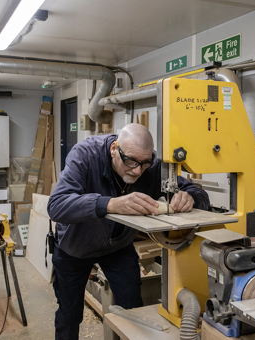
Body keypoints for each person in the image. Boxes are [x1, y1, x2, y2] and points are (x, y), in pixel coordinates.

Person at [47, 123, 210, 339]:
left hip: (118, 247)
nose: (137, 171)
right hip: (75, 246)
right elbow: (57, 205)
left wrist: (190, 197)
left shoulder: (148, 165)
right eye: (131, 162)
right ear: (114, 149)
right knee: (69, 316)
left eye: (144, 164)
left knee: (133, 310)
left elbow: (198, 193)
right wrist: (110, 204)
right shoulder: (85, 155)